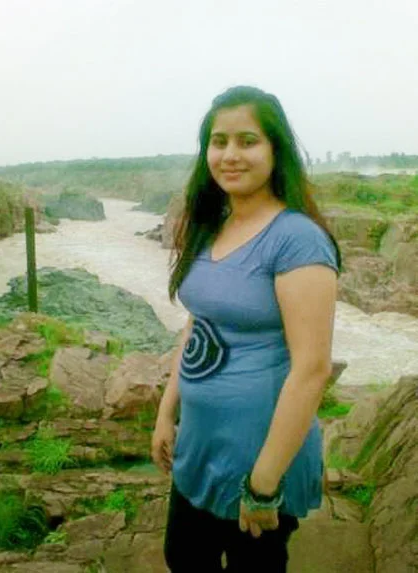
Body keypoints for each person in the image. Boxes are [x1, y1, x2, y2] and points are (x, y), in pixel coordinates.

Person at [151, 85, 341, 572]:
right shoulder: (211, 227)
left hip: (258, 457)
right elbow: (198, 324)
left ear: (275, 151)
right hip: (200, 443)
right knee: (183, 557)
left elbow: (312, 369)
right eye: (219, 142)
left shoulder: (297, 240)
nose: (230, 155)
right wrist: (167, 412)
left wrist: (263, 486)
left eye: (248, 141)